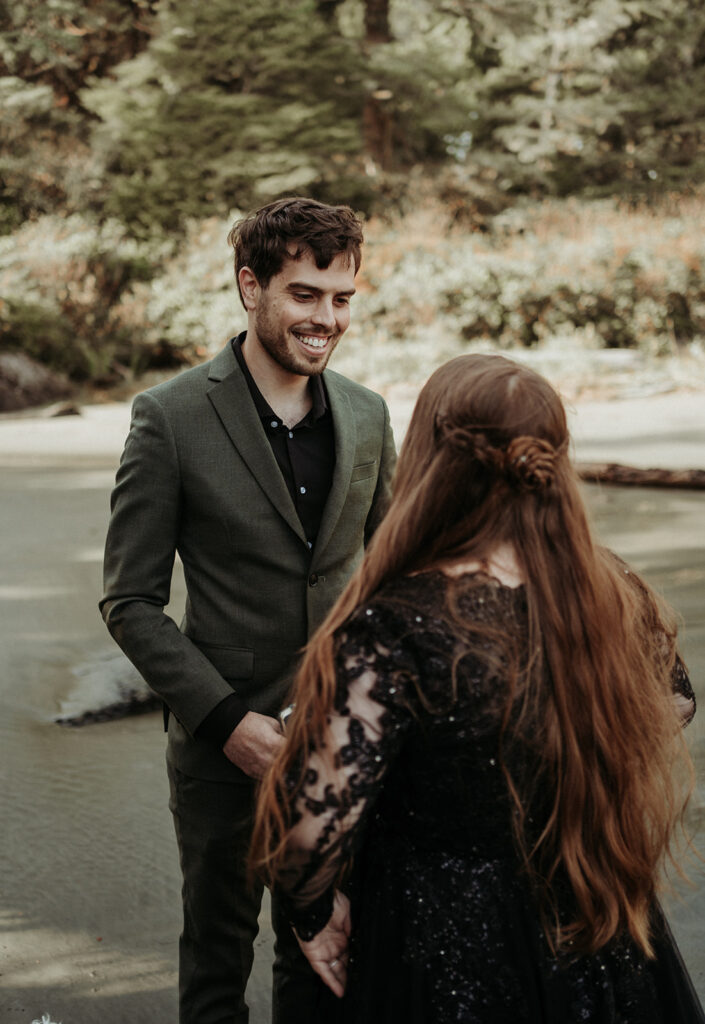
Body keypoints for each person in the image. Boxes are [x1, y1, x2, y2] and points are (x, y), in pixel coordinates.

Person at [252, 353, 703, 1023]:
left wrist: (311, 912)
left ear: (431, 459)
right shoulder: (609, 589)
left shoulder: (394, 626)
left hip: (439, 943)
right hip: (591, 918)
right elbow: (675, 703)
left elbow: (315, 827)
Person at [100, 196, 397, 1024]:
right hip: (220, 752)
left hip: (343, 744)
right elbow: (129, 599)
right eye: (304, 294)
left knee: (326, 958)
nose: (326, 318)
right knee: (217, 962)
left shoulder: (369, 415)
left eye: (341, 298)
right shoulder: (169, 417)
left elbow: (397, 576)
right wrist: (227, 720)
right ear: (250, 287)